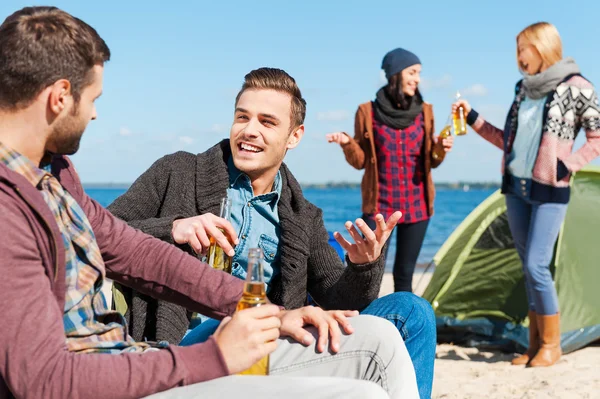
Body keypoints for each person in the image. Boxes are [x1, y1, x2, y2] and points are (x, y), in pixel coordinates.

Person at [0, 6, 421, 399]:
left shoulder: (55, 176)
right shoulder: (11, 210)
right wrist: (215, 353)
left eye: (267, 121)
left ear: (294, 136)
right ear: (59, 97)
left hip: (157, 354)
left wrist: (275, 311)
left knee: (394, 328)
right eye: (93, 100)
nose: (94, 116)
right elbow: (42, 375)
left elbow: (132, 250)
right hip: (164, 358)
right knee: (364, 389)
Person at [109, 67, 437, 399]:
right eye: (242, 118)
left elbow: (343, 303)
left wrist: (364, 264)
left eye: (267, 122)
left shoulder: (302, 215)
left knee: (413, 312)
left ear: (294, 136)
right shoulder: (177, 171)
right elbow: (96, 236)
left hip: (269, 346)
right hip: (191, 345)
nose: (249, 131)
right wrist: (173, 227)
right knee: (234, 321)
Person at [452, 22, 600, 367]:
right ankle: (534, 345)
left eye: (524, 49)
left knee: (537, 264)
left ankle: (552, 345)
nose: (519, 57)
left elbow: (597, 138)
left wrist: (569, 165)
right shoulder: (523, 90)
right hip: (516, 188)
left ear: (543, 47)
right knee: (527, 266)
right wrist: (472, 118)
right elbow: (510, 140)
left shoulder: (578, 87)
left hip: (551, 188)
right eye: (517, 50)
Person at [326, 47, 454, 293]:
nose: (417, 79)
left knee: (404, 274)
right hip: (379, 207)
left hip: (417, 207)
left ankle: (403, 327)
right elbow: (360, 161)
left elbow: (432, 161)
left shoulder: (425, 111)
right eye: (413, 72)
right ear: (395, 74)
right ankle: (368, 325)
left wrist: (441, 148)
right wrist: (346, 143)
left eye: (419, 73)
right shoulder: (367, 112)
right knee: (369, 271)